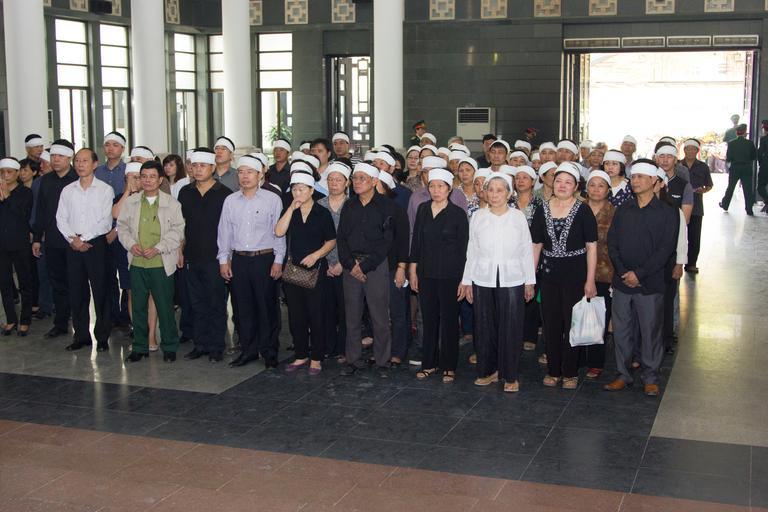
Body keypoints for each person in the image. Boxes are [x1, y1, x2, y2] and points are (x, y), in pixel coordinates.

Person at [605, 160, 678, 396]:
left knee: (650, 332)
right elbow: (612, 243)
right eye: (633, 177)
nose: (635, 181)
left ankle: (651, 377)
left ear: (654, 181)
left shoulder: (667, 212)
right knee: (622, 331)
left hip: (650, 282)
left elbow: (665, 249)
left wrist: (640, 274)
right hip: (622, 281)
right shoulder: (624, 209)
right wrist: (623, 271)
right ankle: (623, 374)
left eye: (640, 177)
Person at [461, 172, 535, 392]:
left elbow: (526, 249)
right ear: (485, 192)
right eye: (490, 190)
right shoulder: (478, 216)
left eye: (499, 190)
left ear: (509, 193)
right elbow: (472, 250)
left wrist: (529, 281)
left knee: (511, 326)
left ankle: (509, 375)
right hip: (483, 277)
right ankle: (488, 371)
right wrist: (467, 281)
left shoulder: (517, 217)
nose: (494, 194)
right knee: (484, 325)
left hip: (513, 278)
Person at [532, 162, 598, 390]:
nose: (562, 185)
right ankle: (553, 370)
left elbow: (591, 247)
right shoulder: (542, 208)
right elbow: (536, 245)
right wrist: (531, 278)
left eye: (568, 182)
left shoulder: (584, 210)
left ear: (576, 186)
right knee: (551, 324)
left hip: (576, 276)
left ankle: (570, 372)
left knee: (572, 323)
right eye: (558, 180)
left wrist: (590, 280)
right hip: (549, 275)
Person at [218, 154, 284, 368]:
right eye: (241, 172)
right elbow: (224, 232)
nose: (245, 176)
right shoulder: (230, 201)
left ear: (260, 174)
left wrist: (278, 260)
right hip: (239, 260)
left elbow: (279, 233)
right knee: (242, 308)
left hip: (264, 259)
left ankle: (269, 351)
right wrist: (224, 260)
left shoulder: (272, 199)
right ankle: (249, 350)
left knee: (266, 307)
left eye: (250, 172)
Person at [118, 161, 185, 363]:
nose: (147, 180)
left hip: (161, 263)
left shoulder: (172, 204)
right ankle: (140, 346)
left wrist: (159, 247)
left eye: (152, 176)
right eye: (143, 176)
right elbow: (122, 227)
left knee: (165, 307)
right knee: (138, 307)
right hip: (137, 263)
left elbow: (178, 231)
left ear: (160, 179)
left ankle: (170, 346)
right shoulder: (131, 202)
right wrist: (131, 245)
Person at [337, 163, 399, 377]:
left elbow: (387, 241)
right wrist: (350, 264)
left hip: (375, 266)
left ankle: (382, 361)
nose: (357, 182)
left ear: (374, 181)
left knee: (379, 316)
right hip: (351, 266)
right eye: (355, 178)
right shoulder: (349, 205)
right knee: (352, 317)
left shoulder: (386, 206)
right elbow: (341, 238)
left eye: (362, 178)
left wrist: (364, 266)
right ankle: (353, 359)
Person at [409, 168, 469, 383]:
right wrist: (413, 271)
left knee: (450, 321)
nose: (436, 190)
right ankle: (429, 363)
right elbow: (416, 242)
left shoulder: (457, 214)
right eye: (432, 186)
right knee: (429, 319)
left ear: (449, 189)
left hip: (451, 275)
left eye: (440, 186)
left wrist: (464, 279)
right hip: (426, 274)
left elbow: (464, 249)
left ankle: (449, 366)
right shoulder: (423, 209)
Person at [274, 171, 336, 374]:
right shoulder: (290, 211)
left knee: (316, 314)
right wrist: (291, 209)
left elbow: (331, 240)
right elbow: (278, 231)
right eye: (294, 189)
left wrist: (316, 255)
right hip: (293, 271)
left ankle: (317, 357)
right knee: (296, 314)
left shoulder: (322, 213)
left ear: (311, 190)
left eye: (301, 189)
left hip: (316, 270)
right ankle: (301, 354)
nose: (297, 193)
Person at [56, 148, 114, 352]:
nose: (80, 164)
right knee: (77, 291)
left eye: (85, 160)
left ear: (95, 164)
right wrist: (73, 239)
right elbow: (60, 218)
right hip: (73, 244)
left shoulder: (105, 190)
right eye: (77, 161)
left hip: (95, 244)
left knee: (101, 291)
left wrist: (83, 239)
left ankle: (103, 336)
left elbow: (106, 222)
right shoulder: (68, 190)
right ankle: (81, 336)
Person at [178, 148, 233, 363]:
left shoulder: (225, 194)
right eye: (194, 165)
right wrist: (180, 250)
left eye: (202, 166)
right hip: (192, 256)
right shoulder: (185, 192)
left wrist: (227, 259)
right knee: (196, 304)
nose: (197, 169)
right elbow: (181, 224)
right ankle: (200, 344)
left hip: (216, 258)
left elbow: (229, 229)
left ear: (212, 167)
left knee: (216, 304)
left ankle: (216, 346)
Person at [32, 139, 78, 339]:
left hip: (74, 241)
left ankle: (80, 325)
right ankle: (60, 323)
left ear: (69, 158)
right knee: (57, 283)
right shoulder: (46, 180)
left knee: (76, 283)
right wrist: (36, 238)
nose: (56, 160)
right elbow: (41, 211)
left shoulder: (77, 179)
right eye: (53, 156)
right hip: (52, 240)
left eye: (60, 156)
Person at [95, 131, 131, 331]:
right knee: (106, 275)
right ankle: (111, 316)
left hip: (123, 231)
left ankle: (125, 317)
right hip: (101, 231)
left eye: (115, 145)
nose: (110, 148)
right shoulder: (97, 172)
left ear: (122, 149)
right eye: (107, 144)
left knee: (126, 276)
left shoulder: (128, 171)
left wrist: (116, 229)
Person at [582, 170, 615, 379]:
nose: (596, 189)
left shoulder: (615, 213)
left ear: (608, 190)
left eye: (601, 185)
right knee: (576, 316)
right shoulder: (577, 208)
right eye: (592, 185)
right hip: (577, 272)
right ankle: (576, 357)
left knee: (599, 318)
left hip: (604, 273)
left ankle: (595, 361)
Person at [318, 161, 351, 360]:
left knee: (346, 310)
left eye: (338, 180)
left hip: (346, 265)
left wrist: (341, 264)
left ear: (346, 183)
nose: (334, 183)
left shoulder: (353, 205)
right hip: (323, 265)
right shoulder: (319, 205)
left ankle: (344, 348)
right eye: (331, 179)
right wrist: (325, 263)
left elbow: (356, 239)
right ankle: (328, 346)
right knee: (326, 308)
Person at [0, 158, 34, 336]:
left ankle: (25, 319)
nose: (5, 175)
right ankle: (11, 319)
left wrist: (7, 197)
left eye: (9, 172)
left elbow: (23, 215)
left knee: (24, 281)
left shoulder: (25, 192)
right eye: (2, 172)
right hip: (2, 244)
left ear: (17, 173)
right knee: (5, 283)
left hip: (20, 243)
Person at [511, 165, 542, 352]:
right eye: (518, 178)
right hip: (511, 255)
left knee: (530, 295)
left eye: (525, 177)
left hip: (534, 253)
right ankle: (513, 335)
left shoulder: (541, 204)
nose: (521, 181)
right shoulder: (508, 202)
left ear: (533, 181)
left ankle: (529, 335)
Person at [679, 139, 713, 273]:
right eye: (688, 149)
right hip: (679, 205)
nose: (690, 151)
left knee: (694, 237)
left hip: (696, 206)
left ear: (697, 151)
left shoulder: (703, 167)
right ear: (684, 150)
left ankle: (691, 264)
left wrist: (703, 190)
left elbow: (709, 185)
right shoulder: (677, 165)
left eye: (693, 149)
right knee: (677, 235)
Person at [720, 123, 757, 216]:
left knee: (731, 187)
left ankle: (725, 205)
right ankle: (749, 209)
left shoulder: (731, 143)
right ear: (745, 132)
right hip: (746, 167)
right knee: (747, 189)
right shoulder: (750, 143)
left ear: (736, 133)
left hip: (735, 167)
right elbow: (754, 156)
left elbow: (728, 158)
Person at [757, 120, 768, 213]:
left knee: (760, 187)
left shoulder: (764, 139)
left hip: (765, 166)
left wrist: (761, 163)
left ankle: (767, 201)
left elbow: (760, 153)